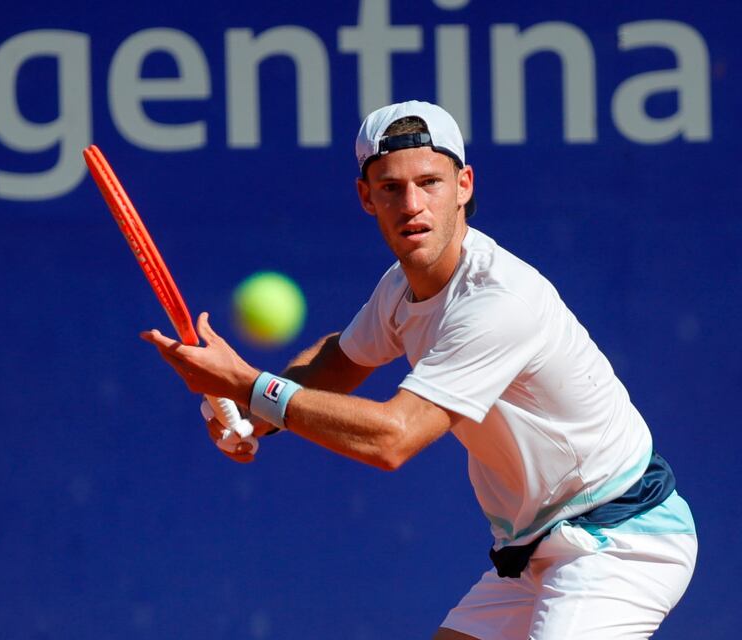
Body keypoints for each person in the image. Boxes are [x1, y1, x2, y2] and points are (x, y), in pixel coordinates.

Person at [141, 101, 697, 639]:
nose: (412, 204)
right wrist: (254, 412)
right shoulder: (401, 287)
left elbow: (393, 440)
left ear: (464, 186)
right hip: (534, 550)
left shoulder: (498, 303)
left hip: (621, 541)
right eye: (391, 187)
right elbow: (341, 357)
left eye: (430, 182)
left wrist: (245, 383)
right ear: (367, 197)